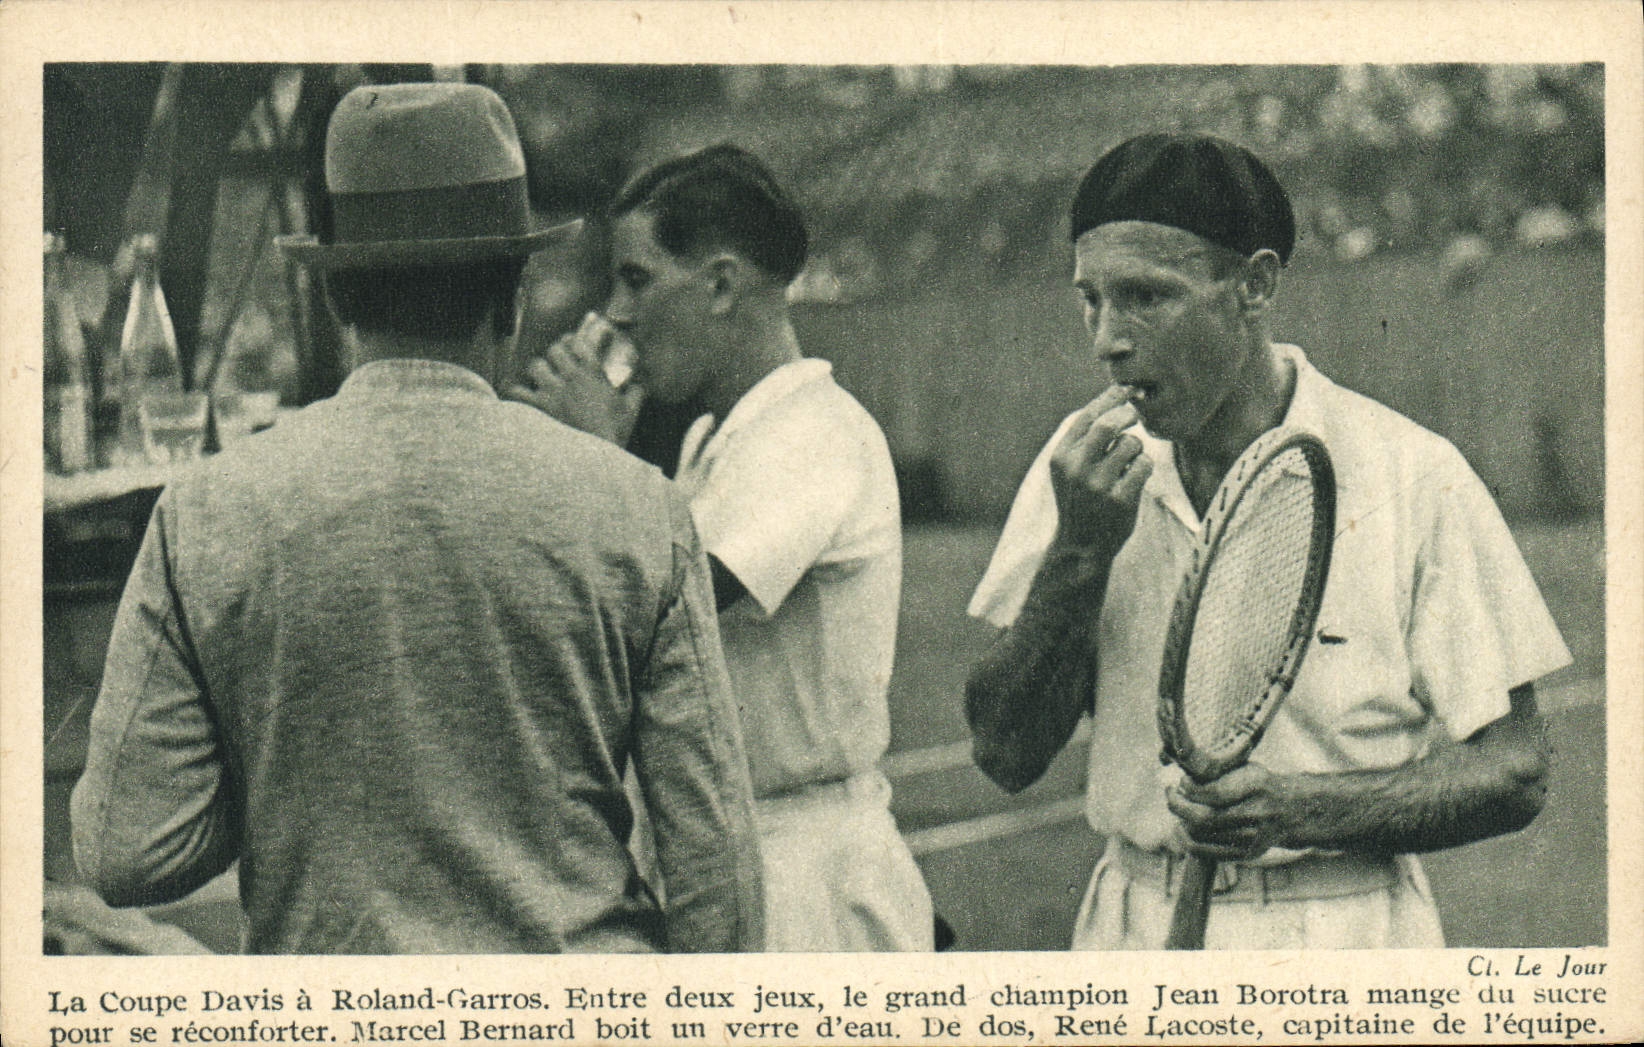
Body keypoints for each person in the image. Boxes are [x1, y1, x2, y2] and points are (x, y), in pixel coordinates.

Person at [71, 83, 763, 954]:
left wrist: (286, 767)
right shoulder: (638, 506)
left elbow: (124, 851)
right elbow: (720, 885)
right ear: (513, 294)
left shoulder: (209, 511)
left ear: (333, 297)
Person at [965, 132, 1569, 950]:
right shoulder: (1084, 468)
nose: (1108, 337)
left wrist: (1307, 809)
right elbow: (1005, 752)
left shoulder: (1413, 471)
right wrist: (1078, 551)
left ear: (1254, 284)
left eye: (1147, 295)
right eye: (1090, 299)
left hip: (1345, 930)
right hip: (1130, 923)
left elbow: (1515, 768)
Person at [513, 144, 934, 951]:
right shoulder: (716, 438)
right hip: (725, 854)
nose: (616, 313)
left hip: (802, 875)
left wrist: (595, 457)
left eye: (635, 279)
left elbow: (673, 614)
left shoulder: (816, 430)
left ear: (719, 284)